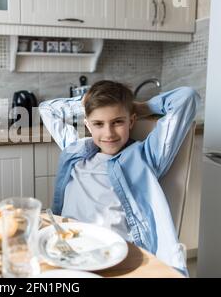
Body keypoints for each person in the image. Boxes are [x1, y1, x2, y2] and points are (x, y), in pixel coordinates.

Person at [39, 80, 200, 275]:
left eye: (118, 122)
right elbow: (46, 109)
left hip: (116, 254)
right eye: (99, 123)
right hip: (68, 248)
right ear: (87, 125)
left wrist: (139, 107)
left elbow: (186, 97)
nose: (108, 133)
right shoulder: (75, 148)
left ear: (131, 121)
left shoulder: (145, 157)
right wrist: (87, 104)